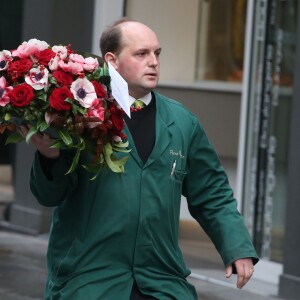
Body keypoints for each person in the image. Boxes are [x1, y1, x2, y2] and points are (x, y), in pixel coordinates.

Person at [21, 18, 258, 300]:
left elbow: (212, 193)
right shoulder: (79, 114)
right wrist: (49, 156)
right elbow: (50, 195)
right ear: (113, 60)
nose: (154, 62)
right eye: (141, 54)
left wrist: (237, 247)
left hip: (161, 281)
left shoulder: (182, 122)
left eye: (157, 53)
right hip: (90, 280)